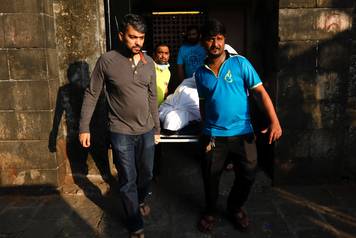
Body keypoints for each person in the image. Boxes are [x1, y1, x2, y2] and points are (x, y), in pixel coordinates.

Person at [195, 19, 282, 233]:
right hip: (213, 136)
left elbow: (260, 92)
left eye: (219, 39)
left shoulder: (240, 63)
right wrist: (205, 126)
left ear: (224, 40)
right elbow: (204, 102)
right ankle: (210, 211)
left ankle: (235, 207)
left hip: (243, 133)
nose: (215, 44)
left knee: (248, 174)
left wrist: (274, 121)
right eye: (210, 39)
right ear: (202, 42)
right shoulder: (200, 73)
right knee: (210, 179)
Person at [79, 14, 160, 238]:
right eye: (133, 37)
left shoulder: (149, 62)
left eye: (141, 38)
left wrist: (157, 129)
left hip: (146, 129)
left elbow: (153, 97)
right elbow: (92, 93)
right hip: (120, 130)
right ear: (121, 35)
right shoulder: (107, 61)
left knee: (147, 174)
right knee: (127, 179)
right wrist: (84, 127)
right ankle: (135, 224)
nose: (138, 43)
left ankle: (141, 199)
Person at [152, 43, 171, 180]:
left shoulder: (167, 71)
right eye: (160, 52)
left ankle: (156, 172)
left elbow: (165, 90)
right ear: (155, 54)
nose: (163, 56)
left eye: (166, 53)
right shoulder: (150, 68)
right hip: (148, 111)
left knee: (158, 143)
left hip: (160, 111)